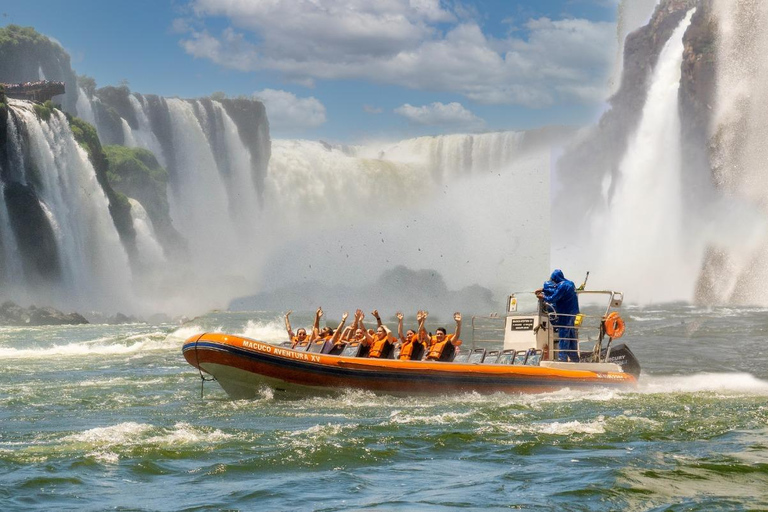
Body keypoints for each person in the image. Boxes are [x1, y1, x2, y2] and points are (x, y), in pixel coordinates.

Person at [537, 269, 580, 362]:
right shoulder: (570, 283)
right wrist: (544, 289)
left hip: (565, 313)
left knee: (563, 335)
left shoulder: (562, 286)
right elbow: (556, 289)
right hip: (573, 313)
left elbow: (553, 298)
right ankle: (575, 358)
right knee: (571, 336)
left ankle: (562, 358)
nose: (553, 281)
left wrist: (543, 296)